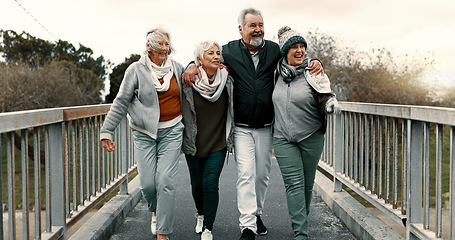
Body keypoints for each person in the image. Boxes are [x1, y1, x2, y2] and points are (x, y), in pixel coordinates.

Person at [183, 8, 324, 240]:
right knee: (246, 174)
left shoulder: (273, 50)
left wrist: (315, 60)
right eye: (252, 25)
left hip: (268, 125)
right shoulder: (228, 51)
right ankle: (247, 226)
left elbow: (295, 57)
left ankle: (256, 213)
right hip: (241, 125)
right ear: (241, 29)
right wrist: (191, 65)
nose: (258, 29)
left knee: (261, 176)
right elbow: (207, 57)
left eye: (260, 24)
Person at [100, 27, 184, 240]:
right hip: (144, 133)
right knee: (147, 183)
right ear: (148, 46)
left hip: (173, 130)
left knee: (165, 180)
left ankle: (162, 232)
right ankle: (155, 209)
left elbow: (194, 86)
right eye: (159, 44)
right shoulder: (135, 70)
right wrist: (107, 130)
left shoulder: (178, 68)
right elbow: (121, 102)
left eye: (167, 44)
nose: (164, 49)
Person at [272, 26, 340, 240]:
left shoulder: (313, 71)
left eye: (302, 46)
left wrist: (331, 105)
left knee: (307, 184)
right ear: (285, 52)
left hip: (311, 135)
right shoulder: (275, 72)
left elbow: (327, 95)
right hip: (282, 137)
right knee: (294, 183)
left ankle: (301, 218)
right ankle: (300, 233)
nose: (299, 50)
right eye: (294, 47)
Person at [181, 40, 234, 240]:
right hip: (194, 141)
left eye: (217, 53)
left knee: (210, 182)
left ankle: (208, 228)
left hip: (217, 142)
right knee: (197, 184)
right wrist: (190, 66)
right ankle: (201, 215)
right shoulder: (188, 80)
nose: (216, 56)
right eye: (210, 53)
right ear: (199, 60)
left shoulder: (227, 79)